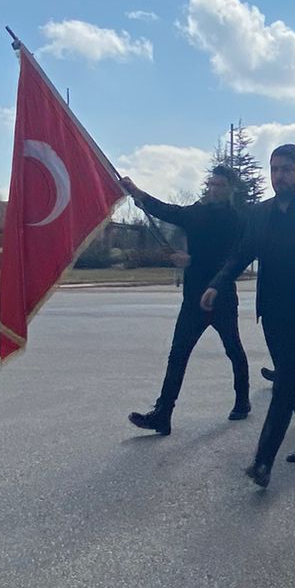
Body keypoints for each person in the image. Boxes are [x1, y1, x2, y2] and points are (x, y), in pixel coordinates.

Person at [201, 142, 295, 489]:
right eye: (275, 169)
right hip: (271, 312)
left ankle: (263, 461)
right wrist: (218, 283)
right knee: (292, 378)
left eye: (287, 169)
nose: (279, 176)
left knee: (285, 381)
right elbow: (242, 253)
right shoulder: (261, 213)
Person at [119, 165, 249, 433]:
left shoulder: (235, 220)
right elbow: (167, 211)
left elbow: (231, 259)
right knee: (177, 354)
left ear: (230, 190)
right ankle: (163, 414)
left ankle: (242, 400)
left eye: (220, 185)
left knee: (233, 349)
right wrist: (137, 193)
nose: (214, 189)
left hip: (222, 297)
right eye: (211, 184)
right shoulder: (197, 212)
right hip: (192, 298)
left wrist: (191, 260)